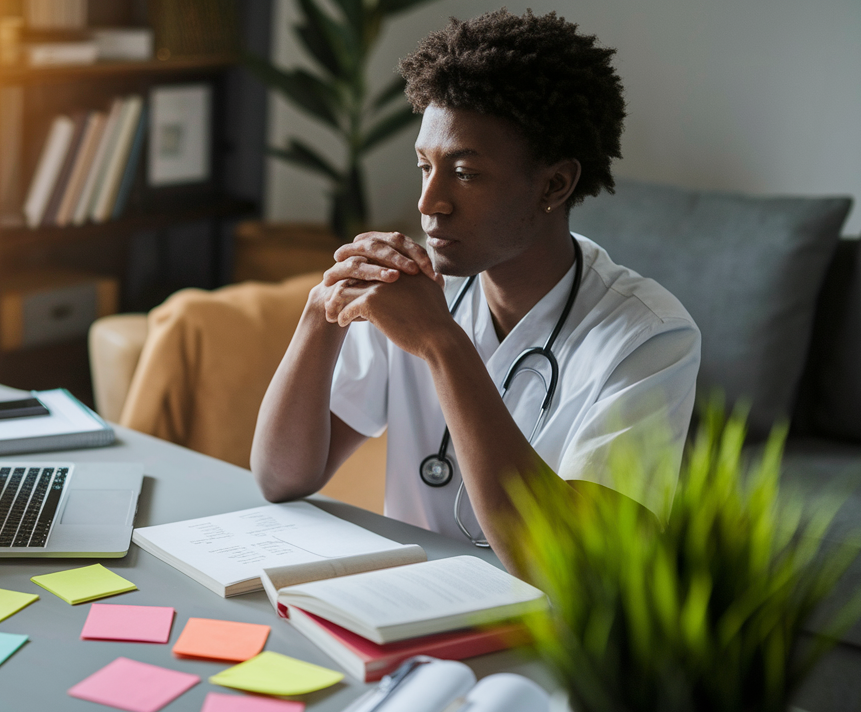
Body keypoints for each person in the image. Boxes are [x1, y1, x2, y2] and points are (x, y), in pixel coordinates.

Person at [251, 10, 700, 580]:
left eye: (464, 173)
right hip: (408, 612)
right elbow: (281, 477)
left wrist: (443, 345)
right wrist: (322, 314)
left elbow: (570, 571)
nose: (428, 202)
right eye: (424, 167)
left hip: (543, 643)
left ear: (554, 184)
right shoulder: (409, 286)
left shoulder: (651, 336)